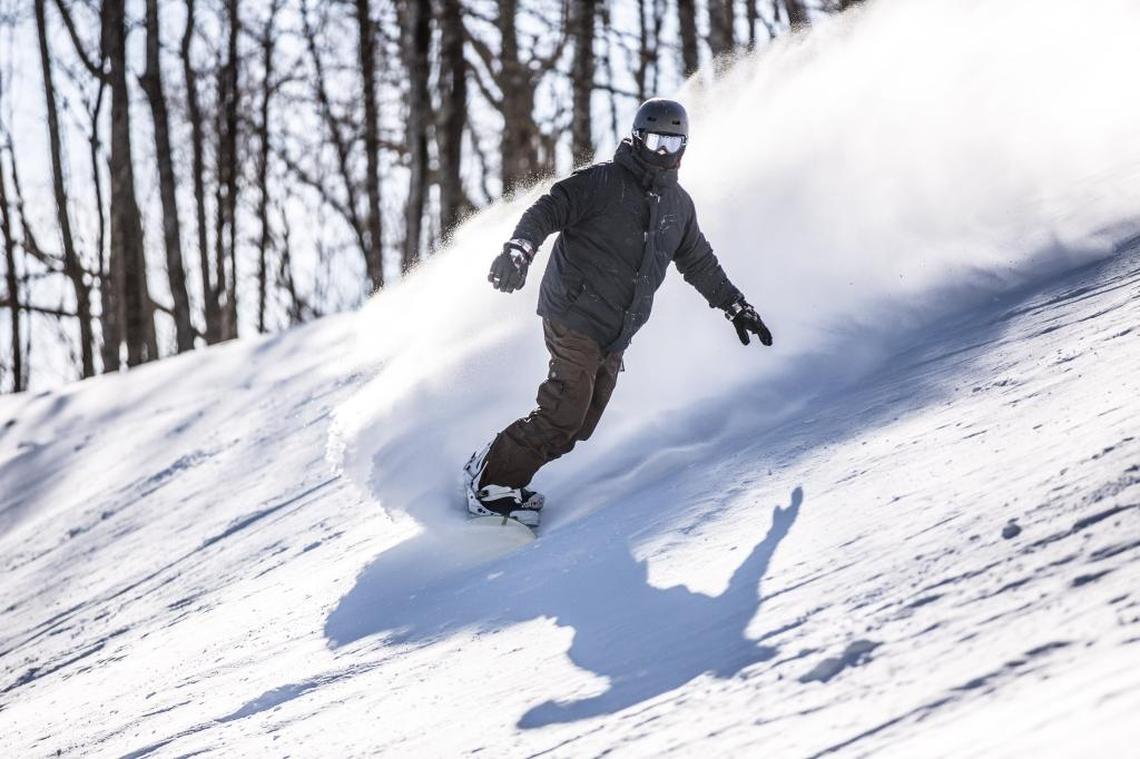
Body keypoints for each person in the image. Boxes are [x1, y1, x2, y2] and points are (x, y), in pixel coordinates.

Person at [463, 98, 773, 526]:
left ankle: (494, 464)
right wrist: (519, 249)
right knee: (565, 408)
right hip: (573, 312)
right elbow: (548, 208)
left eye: (671, 142)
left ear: (684, 145)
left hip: (615, 330)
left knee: (581, 421)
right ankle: (490, 484)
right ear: (636, 137)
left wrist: (734, 305)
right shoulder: (603, 182)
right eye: (653, 140)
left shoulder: (678, 206)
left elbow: (699, 262)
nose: (661, 151)